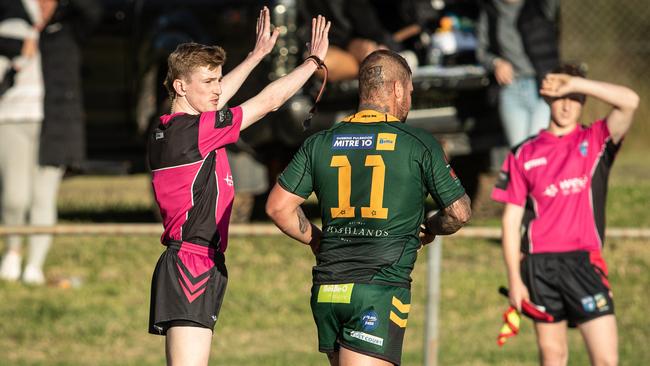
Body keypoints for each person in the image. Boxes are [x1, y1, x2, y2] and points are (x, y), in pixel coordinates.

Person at [146, 8, 330, 366]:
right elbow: (269, 103)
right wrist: (312, 63)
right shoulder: (194, 133)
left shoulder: (172, 127)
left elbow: (214, 101)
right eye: (208, 81)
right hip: (191, 264)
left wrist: (256, 55)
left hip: (199, 260)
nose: (217, 89)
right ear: (181, 86)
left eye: (218, 80)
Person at [266, 50, 471, 366]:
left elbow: (279, 207)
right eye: (411, 93)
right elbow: (458, 212)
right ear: (397, 89)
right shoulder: (417, 142)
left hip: (329, 291)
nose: (410, 101)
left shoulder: (320, 142)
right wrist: (428, 229)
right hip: (377, 290)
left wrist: (318, 241)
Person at [491, 64, 639, 365]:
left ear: (583, 100)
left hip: (584, 263)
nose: (567, 104)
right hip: (538, 266)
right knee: (553, 355)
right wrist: (514, 279)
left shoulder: (597, 139)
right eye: (560, 97)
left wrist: (577, 84)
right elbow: (510, 221)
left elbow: (630, 101)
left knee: (606, 359)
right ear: (547, 98)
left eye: (574, 97)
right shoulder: (524, 153)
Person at [0, 0, 101, 284]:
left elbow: (94, 11)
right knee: (15, 197)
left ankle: (35, 265)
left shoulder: (69, 27)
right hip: (13, 118)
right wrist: (17, 47)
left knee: (44, 197)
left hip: (58, 124)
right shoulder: (10, 18)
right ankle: (12, 250)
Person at [476, 0, 560, 147]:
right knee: (519, 151)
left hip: (542, 87)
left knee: (537, 148)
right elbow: (482, 52)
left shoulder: (540, 5)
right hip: (511, 88)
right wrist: (496, 62)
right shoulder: (491, 11)